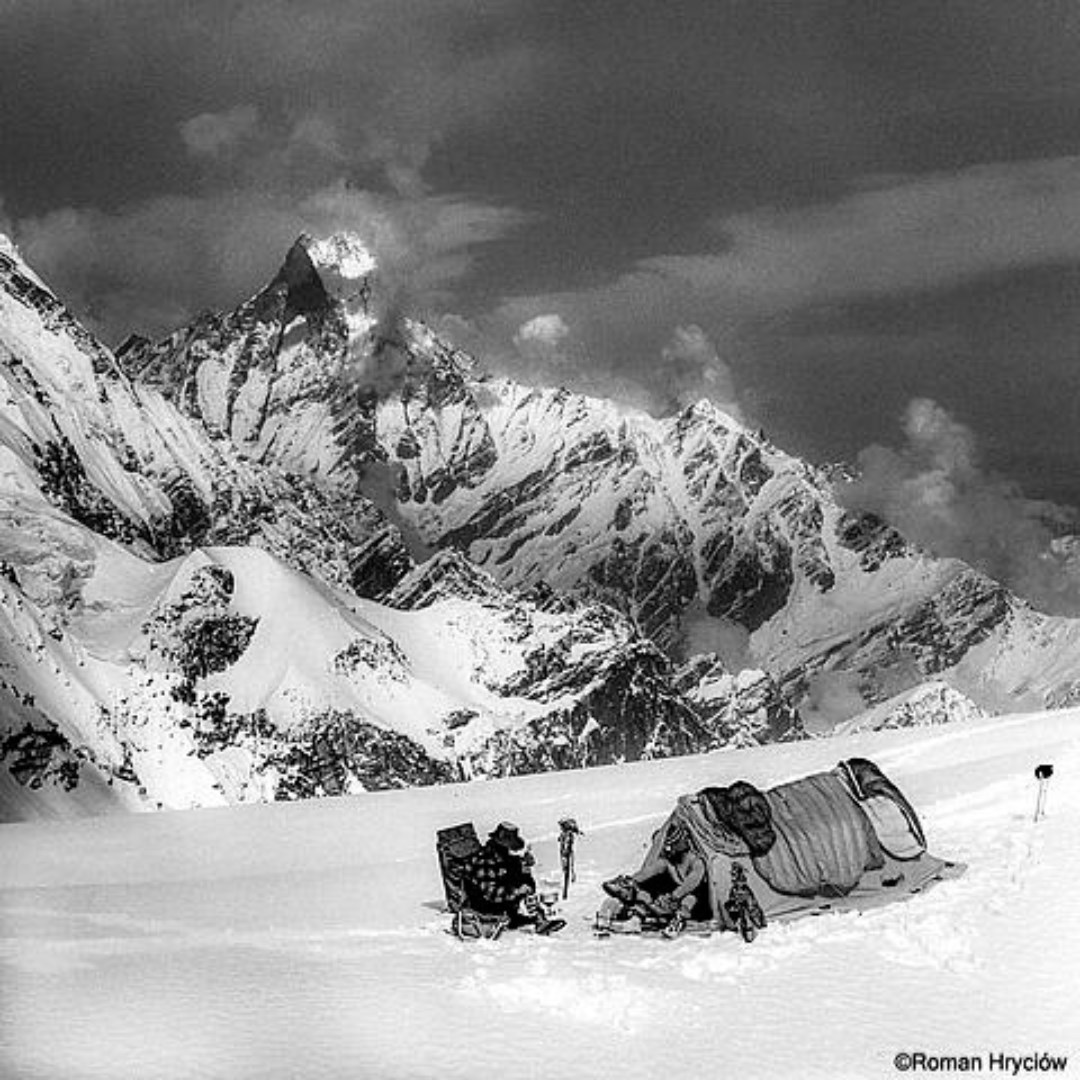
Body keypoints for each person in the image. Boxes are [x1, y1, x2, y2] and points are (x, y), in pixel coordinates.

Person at [602, 822, 706, 937]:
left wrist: (674, 896)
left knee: (696, 892)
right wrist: (633, 881)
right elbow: (652, 869)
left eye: (672, 846)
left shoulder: (696, 862)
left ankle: (678, 921)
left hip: (692, 904)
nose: (669, 850)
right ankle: (636, 919)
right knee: (651, 883)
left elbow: (692, 882)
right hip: (671, 900)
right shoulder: (670, 862)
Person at [461, 821, 564, 935]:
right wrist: (517, 891)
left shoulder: (508, 859)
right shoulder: (484, 860)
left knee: (520, 879)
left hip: (504, 909)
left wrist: (525, 870)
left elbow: (528, 886)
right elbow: (491, 894)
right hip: (483, 910)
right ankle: (536, 920)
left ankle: (538, 919)